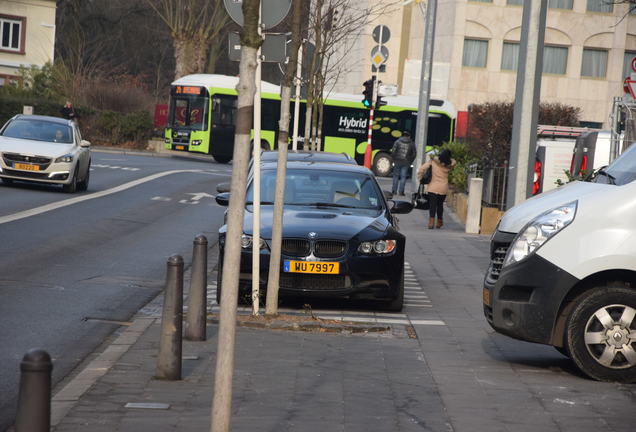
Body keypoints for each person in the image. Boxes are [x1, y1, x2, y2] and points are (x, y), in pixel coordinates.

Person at [417, 149, 456, 229]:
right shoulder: (450, 165)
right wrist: (447, 158)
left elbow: (421, 169)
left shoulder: (433, 161)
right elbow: (453, 161)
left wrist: (420, 178)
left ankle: (431, 223)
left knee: (432, 205)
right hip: (443, 188)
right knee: (440, 205)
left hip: (432, 187)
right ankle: (439, 221)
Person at [390, 131, 416, 196]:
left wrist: (394, 159)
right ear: (409, 136)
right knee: (403, 177)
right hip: (406, 162)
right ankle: (401, 192)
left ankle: (394, 191)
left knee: (395, 176)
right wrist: (410, 161)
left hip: (397, 161)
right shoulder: (411, 143)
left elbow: (393, 152)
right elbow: (414, 154)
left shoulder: (397, 141)